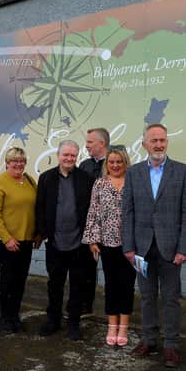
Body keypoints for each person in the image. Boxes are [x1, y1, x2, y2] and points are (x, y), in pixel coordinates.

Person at [122, 123, 186, 367]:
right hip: (141, 248)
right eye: (153, 140)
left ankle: (171, 345)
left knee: (171, 298)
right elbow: (128, 213)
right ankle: (149, 339)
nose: (159, 144)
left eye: (162, 140)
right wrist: (129, 248)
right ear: (144, 143)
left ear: (167, 142)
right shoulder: (133, 174)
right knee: (146, 297)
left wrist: (185, 248)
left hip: (170, 249)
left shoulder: (183, 172)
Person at [36, 140, 95, 341]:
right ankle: (53, 320)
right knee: (55, 284)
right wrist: (44, 234)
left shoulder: (85, 179)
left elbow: (90, 210)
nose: (69, 158)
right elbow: (40, 208)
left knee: (78, 285)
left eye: (73, 155)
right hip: (54, 243)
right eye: (65, 155)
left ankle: (74, 323)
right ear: (58, 155)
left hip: (79, 243)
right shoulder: (46, 178)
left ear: (76, 157)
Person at [82, 148, 136, 346]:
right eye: (111, 162)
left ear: (125, 163)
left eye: (119, 162)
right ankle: (112, 324)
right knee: (112, 284)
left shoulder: (134, 183)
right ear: (107, 164)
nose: (115, 165)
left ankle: (124, 326)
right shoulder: (100, 184)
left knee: (128, 284)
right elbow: (93, 212)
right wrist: (93, 240)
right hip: (107, 243)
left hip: (130, 244)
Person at [0, 147, 38, 333]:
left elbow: (35, 209)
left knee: (21, 279)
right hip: (8, 241)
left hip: (27, 239)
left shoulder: (30, 181)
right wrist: (6, 238)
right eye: (14, 161)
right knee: (8, 279)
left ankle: (15, 315)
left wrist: (38, 234)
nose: (18, 164)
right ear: (7, 162)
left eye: (22, 160)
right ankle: (5, 317)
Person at [79, 127, 110, 317]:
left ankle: (113, 309)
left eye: (90, 142)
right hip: (88, 227)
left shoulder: (115, 164)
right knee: (86, 269)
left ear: (102, 143)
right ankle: (85, 306)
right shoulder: (84, 165)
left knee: (112, 271)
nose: (86, 145)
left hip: (110, 228)